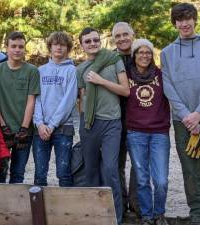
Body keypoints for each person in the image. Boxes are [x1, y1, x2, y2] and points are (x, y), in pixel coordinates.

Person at [77, 27, 130, 225]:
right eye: (88, 41)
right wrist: (84, 122)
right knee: (90, 171)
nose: (92, 44)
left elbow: (125, 91)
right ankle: (95, 214)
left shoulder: (113, 60)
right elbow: (82, 99)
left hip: (112, 124)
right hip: (89, 124)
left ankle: (115, 216)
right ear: (82, 45)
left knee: (110, 169)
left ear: (100, 41)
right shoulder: (80, 69)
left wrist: (100, 81)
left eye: (95, 40)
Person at [161, 3, 200, 225]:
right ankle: (199, 215)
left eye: (188, 18)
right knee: (190, 171)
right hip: (183, 122)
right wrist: (188, 116)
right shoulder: (167, 53)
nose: (184, 23)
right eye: (180, 19)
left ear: (195, 19)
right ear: (175, 23)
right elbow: (167, 86)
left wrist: (199, 113)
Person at [127, 39, 170, 225]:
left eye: (148, 52)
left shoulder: (161, 75)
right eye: (140, 52)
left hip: (159, 132)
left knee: (160, 180)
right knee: (142, 179)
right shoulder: (125, 75)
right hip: (135, 132)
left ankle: (159, 214)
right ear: (134, 55)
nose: (144, 55)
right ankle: (146, 216)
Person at [0, 31, 40, 184]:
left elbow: (31, 100)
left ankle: (14, 207)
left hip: (24, 131)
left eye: (21, 47)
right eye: (13, 46)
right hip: (2, 130)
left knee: (18, 173)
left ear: (25, 49)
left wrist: (24, 128)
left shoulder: (32, 71)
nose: (17, 50)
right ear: (7, 48)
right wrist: (3, 126)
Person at [32, 31, 77, 187]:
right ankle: (39, 211)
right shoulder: (40, 71)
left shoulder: (71, 71)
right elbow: (36, 99)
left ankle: (66, 210)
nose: (59, 47)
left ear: (68, 48)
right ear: (50, 47)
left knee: (64, 173)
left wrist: (51, 125)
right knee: (39, 174)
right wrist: (39, 124)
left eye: (63, 45)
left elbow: (69, 101)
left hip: (63, 128)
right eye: (55, 44)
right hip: (41, 128)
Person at [112, 21, 139, 216]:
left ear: (132, 35)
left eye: (125, 34)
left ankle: (136, 203)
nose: (122, 38)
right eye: (118, 36)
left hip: (140, 118)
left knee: (138, 164)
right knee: (117, 163)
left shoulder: (142, 54)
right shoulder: (110, 59)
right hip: (117, 118)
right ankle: (120, 203)